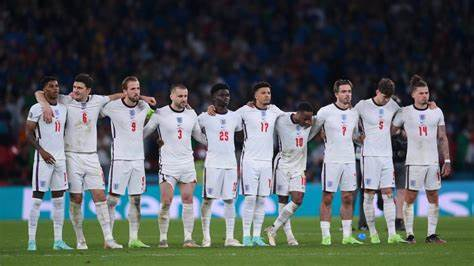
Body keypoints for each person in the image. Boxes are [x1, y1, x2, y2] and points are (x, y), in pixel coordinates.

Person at [35, 73, 152, 249]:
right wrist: (44, 105)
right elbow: (39, 93)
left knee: (100, 196)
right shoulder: (66, 100)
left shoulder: (98, 100)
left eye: (79, 88)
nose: (75, 91)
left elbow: (120, 95)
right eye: (74, 87)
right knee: (77, 198)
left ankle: (109, 239)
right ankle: (80, 240)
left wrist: (142, 97)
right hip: (71, 155)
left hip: (91, 156)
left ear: (88, 90)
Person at [143, 84, 207, 248]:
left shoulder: (191, 114)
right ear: (171, 96)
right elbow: (145, 132)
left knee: (188, 200)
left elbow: (199, 136)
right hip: (168, 165)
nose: (184, 99)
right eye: (180, 96)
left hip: (187, 164)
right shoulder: (160, 113)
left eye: (185, 96)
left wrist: (216, 142)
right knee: (166, 202)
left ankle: (188, 239)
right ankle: (163, 239)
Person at [392, 75, 451, 244]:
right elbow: (391, 130)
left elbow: (442, 137)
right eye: (421, 93)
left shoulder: (436, 111)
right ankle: (410, 235)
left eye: (426, 93)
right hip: (414, 162)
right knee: (410, 197)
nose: (425, 96)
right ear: (413, 95)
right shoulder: (404, 112)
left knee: (433, 196)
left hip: (432, 162)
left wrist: (446, 160)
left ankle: (431, 235)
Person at [101, 76, 152, 248]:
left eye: (138, 88)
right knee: (113, 200)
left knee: (136, 200)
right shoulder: (112, 107)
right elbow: (95, 113)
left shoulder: (144, 106)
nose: (136, 91)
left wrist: (144, 98)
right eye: (132, 89)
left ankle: (134, 239)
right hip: (120, 159)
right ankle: (108, 239)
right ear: (124, 91)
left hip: (138, 159)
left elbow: (156, 117)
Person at [354, 78, 407, 244]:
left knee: (388, 195)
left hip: (386, 157)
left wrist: (400, 130)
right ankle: (373, 233)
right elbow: (350, 124)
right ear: (377, 91)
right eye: (384, 96)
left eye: (389, 97)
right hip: (369, 156)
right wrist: (357, 137)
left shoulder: (393, 106)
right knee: (368, 195)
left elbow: (408, 116)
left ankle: (392, 234)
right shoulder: (362, 106)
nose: (386, 100)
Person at [313, 79, 363, 245]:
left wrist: (361, 139)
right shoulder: (325, 112)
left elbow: (355, 136)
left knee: (348, 197)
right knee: (328, 198)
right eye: (343, 91)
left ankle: (347, 236)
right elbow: (312, 130)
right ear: (336, 94)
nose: (347, 94)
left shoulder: (355, 113)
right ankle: (326, 237)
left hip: (349, 160)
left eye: (349, 91)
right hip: (332, 161)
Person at [26, 76, 72, 251]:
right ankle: (31, 241)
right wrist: (41, 151)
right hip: (43, 160)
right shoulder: (36, 108)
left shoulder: (64, 107)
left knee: (59, 201)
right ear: (44, 90)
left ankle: (58, 241)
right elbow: (28, 132)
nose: (55, 89)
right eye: (51, 86)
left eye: (57, 86)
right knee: (37, 200)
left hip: (60, 159)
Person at [236, 81, 284, 246]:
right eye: (263, 93)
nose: (267, 96)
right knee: (250, 199)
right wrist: (211, 110)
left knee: (262, 199)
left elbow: (289, 119)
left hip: (266, 162)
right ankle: (246, 236)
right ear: (255, 96)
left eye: (269, 93)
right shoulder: (244, 111)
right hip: (249, 160)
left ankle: (256, 236)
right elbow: (227, 120)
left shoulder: (274, 111)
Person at [197, 83, 243, 247]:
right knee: (208, 200)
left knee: (230, 200)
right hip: (212, 165)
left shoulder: (235, 117)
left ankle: (230, 238)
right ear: (213, 98)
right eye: (222, 95)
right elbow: (193, 129)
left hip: (230, 164)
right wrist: (206, 141)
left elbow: (240, 127)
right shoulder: (204, 117)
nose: (226, 98)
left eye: (227, 95)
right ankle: (206, 237)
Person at [264, 102, 315, 246]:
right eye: (306, 118)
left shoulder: (311, 122)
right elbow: (267, 106)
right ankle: (290, 237)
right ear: (298, 114)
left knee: (298, 199)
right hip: (282, 164)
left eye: (310, 118)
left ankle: (273, 228)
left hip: (299, 167)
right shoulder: (281, 119)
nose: (309, 122)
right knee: (283, 200)